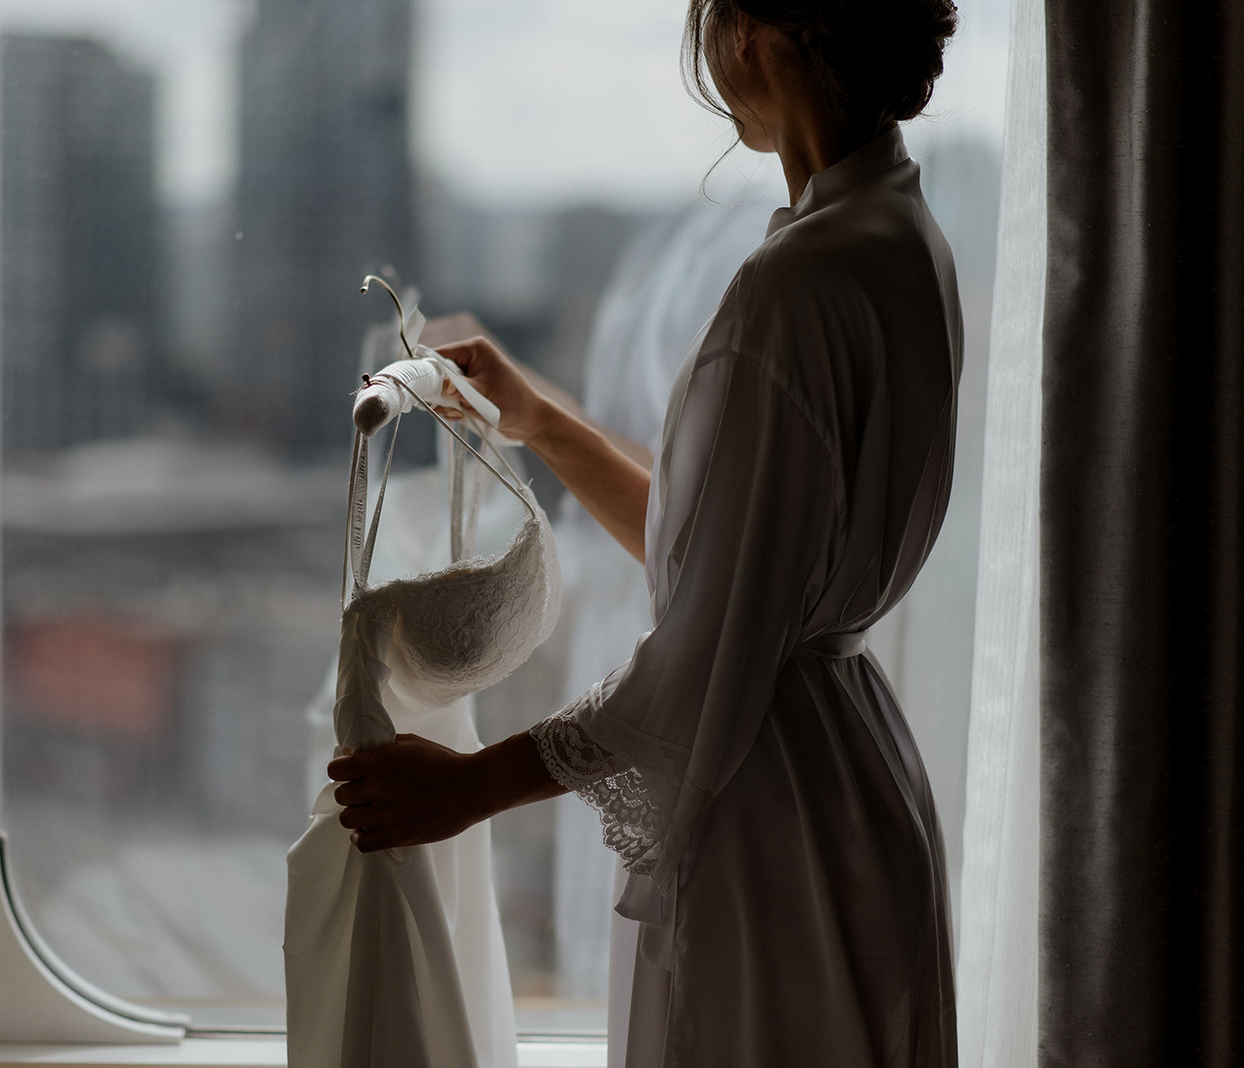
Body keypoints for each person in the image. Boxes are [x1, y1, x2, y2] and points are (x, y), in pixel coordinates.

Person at [328, 0, 963, 1062]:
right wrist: (540, 423)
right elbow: (741, 555)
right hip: (850, 785)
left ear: (756, 33)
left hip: (766, 823)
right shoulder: (896, 237)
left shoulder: (792, 288)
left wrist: (469, 787)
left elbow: (703, 660)